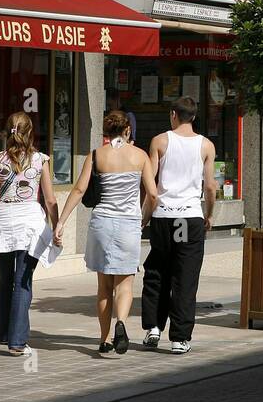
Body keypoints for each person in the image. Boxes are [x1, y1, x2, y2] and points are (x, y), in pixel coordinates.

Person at [54, 110, 158, 355]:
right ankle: (121, 321)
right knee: (125, 284)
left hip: (101, 222)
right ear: (128, 130)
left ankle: (104, 338)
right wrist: (145, 217)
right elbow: (153, 194)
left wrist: (61, 221)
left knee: (103, 286)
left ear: (105, 132)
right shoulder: (141, 156)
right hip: (128, 224)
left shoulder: (96, 155)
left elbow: (79, 189)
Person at [0, 112, 60, 356]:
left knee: (5, 279)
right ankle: (17, 341)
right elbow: (50, 199)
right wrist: (57, 225)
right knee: (23, 281)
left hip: (2, 223)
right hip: (29, 224)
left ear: (6, 132)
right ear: (30, 133)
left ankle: (3, 330)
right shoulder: (40, 159)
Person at [141, 96, 217, 354]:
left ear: (173, 114)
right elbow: (210, 186)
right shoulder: (206, 145)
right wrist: (209, 213)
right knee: (185, 277)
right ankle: (180, 338)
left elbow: (150, 183)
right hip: (190, 216)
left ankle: (153, 327)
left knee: (156, 272)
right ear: (194, 117)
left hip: (163, 215)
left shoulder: (160, 141)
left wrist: (145, 216)